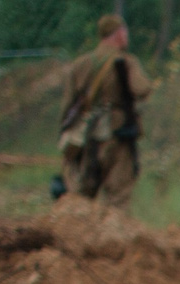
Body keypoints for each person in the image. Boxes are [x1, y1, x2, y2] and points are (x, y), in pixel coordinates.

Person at [57, 16, 151, 207]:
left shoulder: (81, 64)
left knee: (82, 194)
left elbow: (67, 105)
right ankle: (111, 235)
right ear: (118, 34)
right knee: (118, 194)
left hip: (86, 134)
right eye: (124, 32)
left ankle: (76, 232)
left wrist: (65, 133)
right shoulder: (126, 62)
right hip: (117, 134)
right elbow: (142, 89)